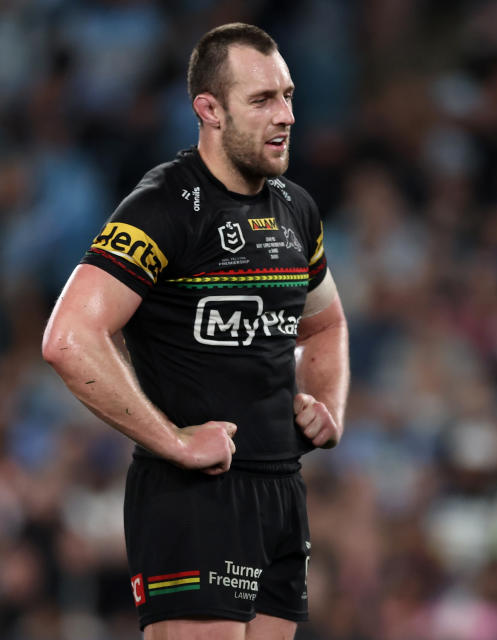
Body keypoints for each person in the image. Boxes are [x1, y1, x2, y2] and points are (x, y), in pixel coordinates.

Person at [41, 23, 349, 640]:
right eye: (262, 100)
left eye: (288, 95)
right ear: (208, 109)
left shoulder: (296, 209)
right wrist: (174, 441)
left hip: (281, 493)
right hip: (194, 497)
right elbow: (68, 337)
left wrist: (325, 405)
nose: (286, 115)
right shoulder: (163, 206)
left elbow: (326, 325)